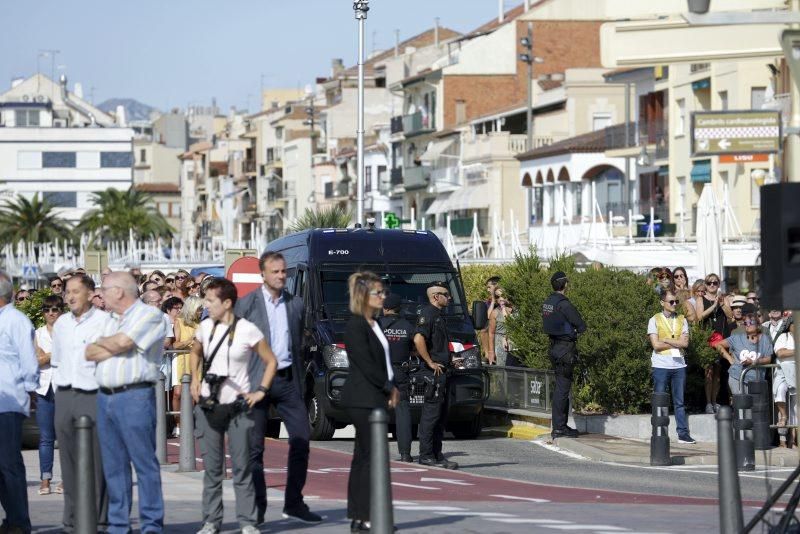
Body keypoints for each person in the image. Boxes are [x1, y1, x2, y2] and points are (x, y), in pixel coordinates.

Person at [234, 252, 322, 525]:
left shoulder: (296, 305)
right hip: (255, 382)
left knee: (301, 438)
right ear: (262, 274)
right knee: (254, 448)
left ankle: (294, 502)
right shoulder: (246, 305)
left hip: (286, 381)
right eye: (275, 272)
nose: (281, 276)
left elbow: (299, 342)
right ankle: (258, 507)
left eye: (283, 271)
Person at [189, 278, 278, 534]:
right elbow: (195, 352)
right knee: (212, 470)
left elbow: (270, 361)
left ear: (227, 303)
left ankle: (247, 522)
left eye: (210, 300)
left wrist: (260, 391)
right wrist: (196, 380)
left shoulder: (248, 329)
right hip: (208, 404)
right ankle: (211, 521)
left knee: (242, 467)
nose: (206, 304)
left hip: (238, 405)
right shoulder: (205, 327)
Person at [85, 271, 168, 534]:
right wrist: (114, 345)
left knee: (144, 464)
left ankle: (151, 525)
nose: (100, 293)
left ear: (119, 291)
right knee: (114, 466)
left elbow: (125, 341)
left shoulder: (150, 315)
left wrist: (108, 345)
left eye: (104, 288)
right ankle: (119, 525)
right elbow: (88, 351)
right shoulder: (107, 320)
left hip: (135, 395)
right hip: (105, 396)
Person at [341, 272, 400, 532]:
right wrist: (388, 387)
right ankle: (363, 515)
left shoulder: (375, 324)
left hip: (376, 395)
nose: (382, 296)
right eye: (377, 292)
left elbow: (383, 361)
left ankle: (360, 513)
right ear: (363, 296)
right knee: (367, 457)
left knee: (365, 456)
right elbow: (365, 363)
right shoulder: (355, 325)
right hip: (363, 397)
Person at [51, 274, 110, 532]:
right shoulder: (62, 323)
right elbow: (57, 361)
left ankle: (98, 519)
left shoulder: (105, 321)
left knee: (96, 460)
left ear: (90, 293)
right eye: (67, 292)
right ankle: (71, 518)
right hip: (64, 394)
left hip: (93, 394)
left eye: (76, 291)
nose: (71, 296)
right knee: (68, 459)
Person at [0, 269, 38, 534]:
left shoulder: (15, 320)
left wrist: (27, 393)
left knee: (8, 464)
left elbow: (28, 360)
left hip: (8, 403)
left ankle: (18, 522)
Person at [414, 281, 458, 469]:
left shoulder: (439, 316)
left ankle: (437, 454)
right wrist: (430, 362)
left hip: (443, 370)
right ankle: (426, 455)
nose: (449, 298)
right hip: (433, 373)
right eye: (446, 294)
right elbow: (418, 338)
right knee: (431, 415)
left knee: (440, 415)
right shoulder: (428, 314)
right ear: (435, 297)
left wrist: (450, 359)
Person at [542, 271, 586, 440]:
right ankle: (559, 427)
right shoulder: (564, 304)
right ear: (565, 285)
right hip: (565, 349)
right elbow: (581, 325)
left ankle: (561, 425)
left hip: (553, 347)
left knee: (561, 388)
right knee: (562, 389)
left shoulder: (548, 302)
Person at [648, 287, 694, 444]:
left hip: (679, 365)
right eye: (671, 301)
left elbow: (685, 343)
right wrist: (675, 343)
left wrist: (666, 340)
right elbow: (656, 345)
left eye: (676, 301)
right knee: (660, 399)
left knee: (679, 401)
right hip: (661, 364)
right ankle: (659, 431)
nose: (674, 304)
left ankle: (683, 433)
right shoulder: (654, 319)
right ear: (662, 303)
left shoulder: (682, 319)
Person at [379, 292, 415, 462]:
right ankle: (405, 453)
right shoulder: (408, 326)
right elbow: (415, 348)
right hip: (400, 371)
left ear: (385, 308)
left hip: (379, 372)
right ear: (399, 309)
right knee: (403, 411)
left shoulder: (376, 325)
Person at [33, 294, 63, 496]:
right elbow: (36, 361)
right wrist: (54, 354)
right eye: (47, 309)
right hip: (44, 387)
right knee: (45, 437)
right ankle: (45, 479)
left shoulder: (68, 331)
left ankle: (67, 479)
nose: (51, 313)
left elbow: (72, 357)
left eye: (55, 309)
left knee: (66, 436)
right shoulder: (37, 333)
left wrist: (47, 355)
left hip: (64, 386)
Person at [695, 273, 734, 413]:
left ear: (718, 284)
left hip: (722, 339)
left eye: (715, 282)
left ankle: (715, 400)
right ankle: (708, 402)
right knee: (708, 372)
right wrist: (713, 306)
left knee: (718, 372)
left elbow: (731, 317)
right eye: (709, 283)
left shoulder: (724, 298)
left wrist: (722, 304)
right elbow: (699, 317)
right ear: (705, 284)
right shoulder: (701, 299)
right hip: (708, 338)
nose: (712, 285)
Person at [715, 309, 772, 396]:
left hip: (756, 380)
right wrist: (729, 359)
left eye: (751, 323)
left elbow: (768, 359)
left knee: (754, 408)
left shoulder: (765, 339)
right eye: (745, 323)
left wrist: (753, 362)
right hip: (737, 377)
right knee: (742, 407)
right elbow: (718, 345)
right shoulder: (736, 338)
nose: (747, 325)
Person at [171, 295, 203, 437]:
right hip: (180, 359)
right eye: (198, 309)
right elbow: (175, 344)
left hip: (195, 360)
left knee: (193, 394)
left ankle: (188, 424)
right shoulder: (179, 322)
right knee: (178, 393)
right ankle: (178, 425)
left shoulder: (200, 324)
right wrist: (190, 340)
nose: (201, 312)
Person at [488, 291, 517, 367]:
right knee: (503, 369)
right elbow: (491, 333)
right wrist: (491, 351)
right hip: (501, 343)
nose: (501, 298)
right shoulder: (495, 313)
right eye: (497, 297)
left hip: (516, 342)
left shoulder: (516, 310)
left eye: (503, 295)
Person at [480, 276, 501, 361]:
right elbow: (487, 317)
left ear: (496, 286)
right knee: (484, 329)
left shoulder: (504, 298)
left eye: (489, 287)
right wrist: (493, 301)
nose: (488, 290)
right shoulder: (489, 301)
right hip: (492, 323)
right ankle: (487, 354)